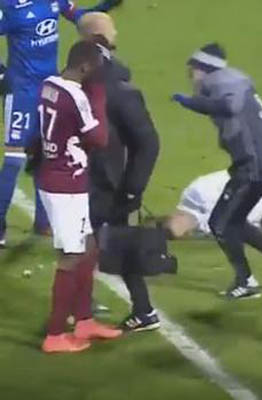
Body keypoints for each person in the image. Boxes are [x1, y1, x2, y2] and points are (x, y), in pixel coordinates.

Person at [172, 43, 262, 300]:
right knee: (233, 221)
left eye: (192, 71)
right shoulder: (233, 81)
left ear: (204, 68)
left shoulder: (221, 81)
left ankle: (246, 281)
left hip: (253, 167)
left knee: (220, 223)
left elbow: (229, 107)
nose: (191, 77)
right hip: (259, 165)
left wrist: (191, 102)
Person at [0, 0, 122, 248]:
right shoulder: (9, 6)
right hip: (22, 91)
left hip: (50, 87)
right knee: (15, 159)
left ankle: (43, 221)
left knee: (48, 151)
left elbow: (81, 17)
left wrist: (106, 6)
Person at [77, 13, 162, 332]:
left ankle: (84, 311)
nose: (116, 32)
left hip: (103, 183)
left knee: (88, 244)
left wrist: (132, 188)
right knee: (105, 243)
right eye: (112, 28)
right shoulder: (105, 80)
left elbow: (148, 143)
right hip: (100, 180)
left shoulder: (109, 86)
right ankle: (142, 311)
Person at [38, 40, 122, 353]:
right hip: (65, 186)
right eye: (96, 70)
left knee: (88, 247)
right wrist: (97, 94)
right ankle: (55, 334)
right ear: (85, 67)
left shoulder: (50, 84)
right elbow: (99, 138)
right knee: (71, 257)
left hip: (59, 176)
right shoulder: (77, 95)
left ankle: (84, 320)